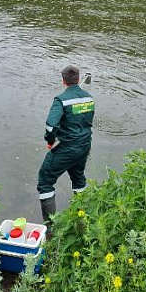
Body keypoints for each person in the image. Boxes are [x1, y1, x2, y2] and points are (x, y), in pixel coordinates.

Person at [37, 66, 95, 227]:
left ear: (63, 80)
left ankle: (51, 228)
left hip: (66, 148)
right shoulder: (89, 99)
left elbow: (50, 126)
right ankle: (82, 222)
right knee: (78, 179)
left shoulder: (61, 100)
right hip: (84, 146)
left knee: (45, 182)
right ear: (78, 79)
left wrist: (50, 141)